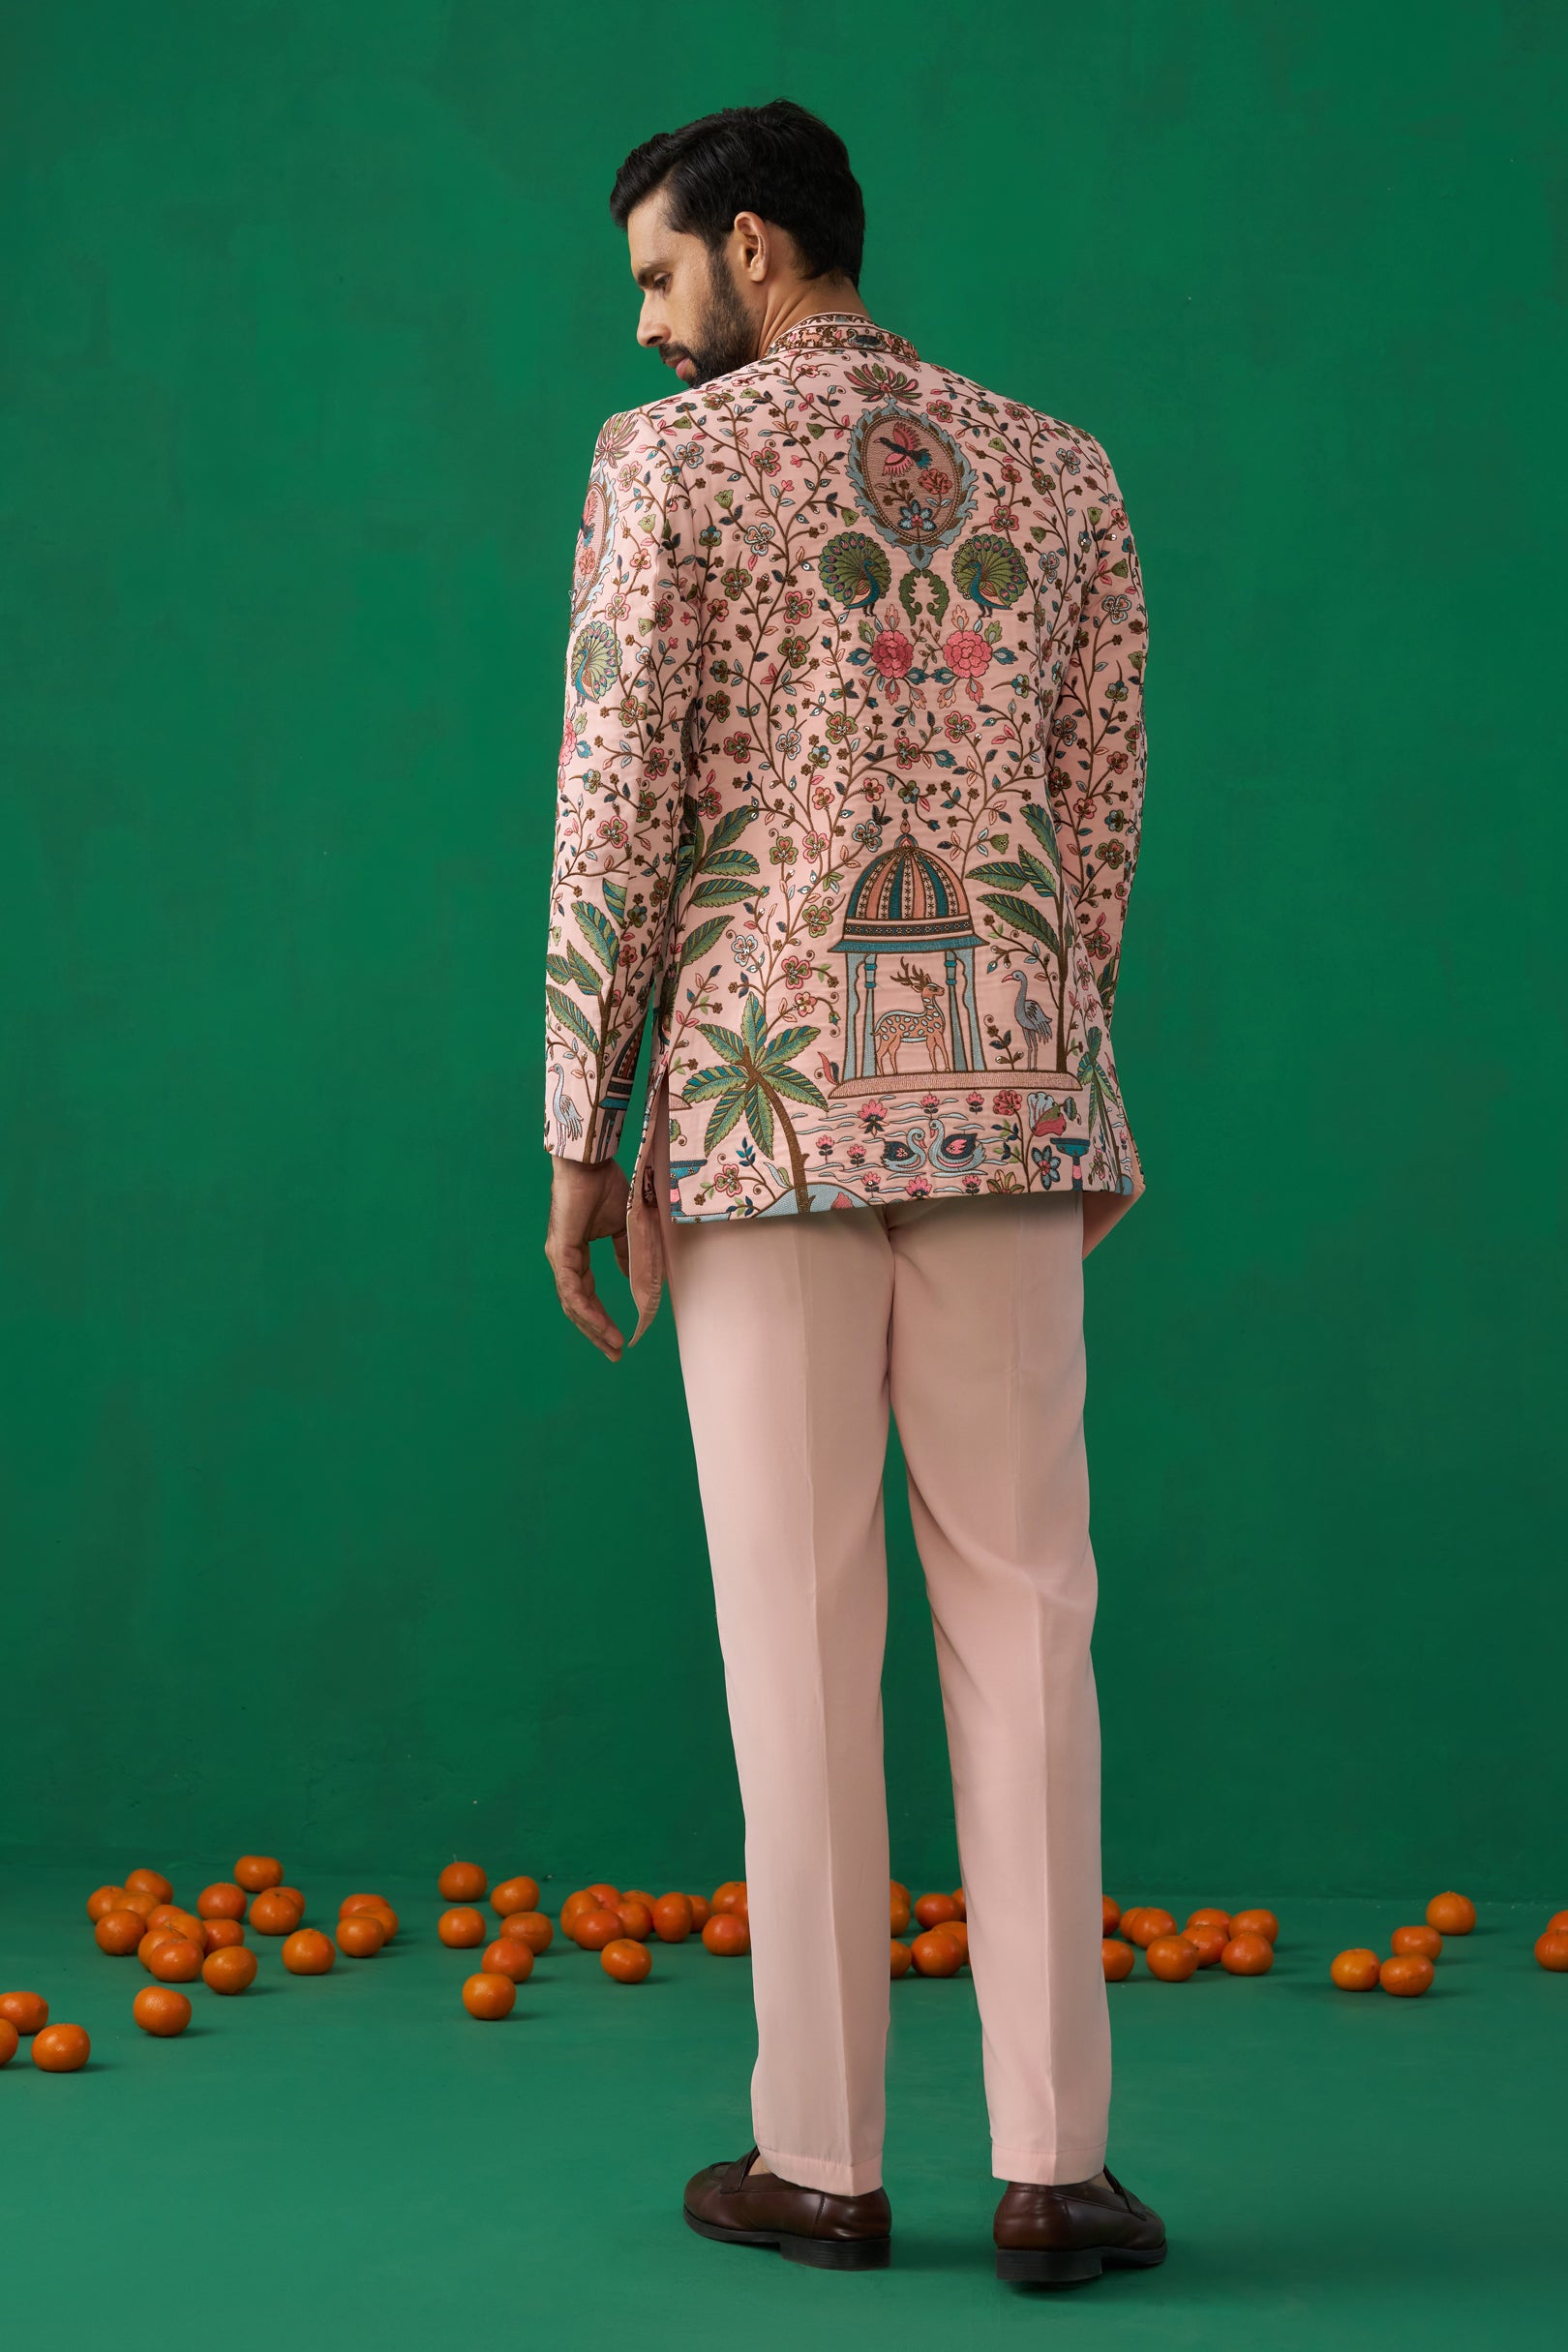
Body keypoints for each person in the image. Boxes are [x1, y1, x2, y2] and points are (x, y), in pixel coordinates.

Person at [542, 98, 1165, 2287]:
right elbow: (1098, 810)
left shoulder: (667, 465)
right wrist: (1041, 1044)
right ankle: (1058, 2169)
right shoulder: (1064, 472)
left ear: (756, 248)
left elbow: (618, 798)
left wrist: (583, 1119)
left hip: (758, 1115)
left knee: (795, 1636)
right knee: (1032, 1616)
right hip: (1005, 1110)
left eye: (658, 274)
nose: (646, 326)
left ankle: (819, 2158)